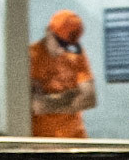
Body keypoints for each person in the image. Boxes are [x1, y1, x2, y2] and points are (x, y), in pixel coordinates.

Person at [29, 10, 96, 139]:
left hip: (76, 140)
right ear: (48, 31)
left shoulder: (76, 55)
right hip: (43, 142)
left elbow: (90, 99)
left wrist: (50, 100)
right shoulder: (32, 56)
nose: (62, 50)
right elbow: (38, 106)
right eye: (59, 42)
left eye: (67, 45)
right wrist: (73, 94)